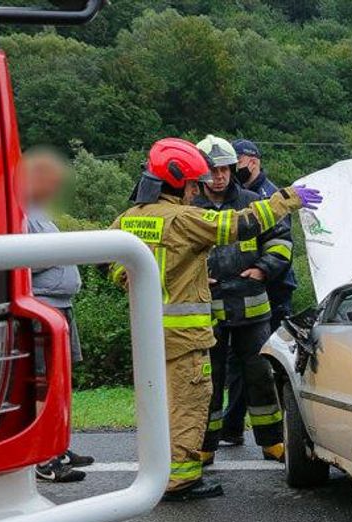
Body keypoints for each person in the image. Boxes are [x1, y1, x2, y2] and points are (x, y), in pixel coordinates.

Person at [109, 137, 321, 502]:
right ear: (176, 183)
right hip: (184, 334)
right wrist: (288, 198)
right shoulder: (182, 218)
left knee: (160, 403)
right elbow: (238, 225)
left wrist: (126, 275)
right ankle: (180, 481)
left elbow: (112, 258)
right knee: (190, 402)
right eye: (193, 184)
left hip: (149, 333)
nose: (196, 190)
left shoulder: (131, 218)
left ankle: (168, 470)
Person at [192, 135, 290, 464]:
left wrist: (264, 269)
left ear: (233, 169)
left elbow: (281, 241)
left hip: (253, 307)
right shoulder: (189, 209)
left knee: (261, 375)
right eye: (211, 170)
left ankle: (272, 442)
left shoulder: (252, 201)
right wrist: (193, 278)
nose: (218, 177)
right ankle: (205, 446)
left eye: (223, 170)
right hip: (208, 309)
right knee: (209, 379)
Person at [218, 138, 298, 447]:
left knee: (265, 365)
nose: (231, 171)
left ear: (252, 161)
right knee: (236, 366)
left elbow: (280, 238)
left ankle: (272, 434)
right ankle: (231, 427)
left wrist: (263, 269)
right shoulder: (205, 201)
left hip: (270, 292)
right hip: (234, 296)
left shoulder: (264, 195)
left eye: (236, 163)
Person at [24, 148, 94, 483]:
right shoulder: (21, 212)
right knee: (44, 384)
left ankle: (59, 444)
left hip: (62, 306)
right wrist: (57, 255)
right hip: (44, 307)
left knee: (61, 382)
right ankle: (44, 458)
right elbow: (22, 260)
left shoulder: (39, 212)